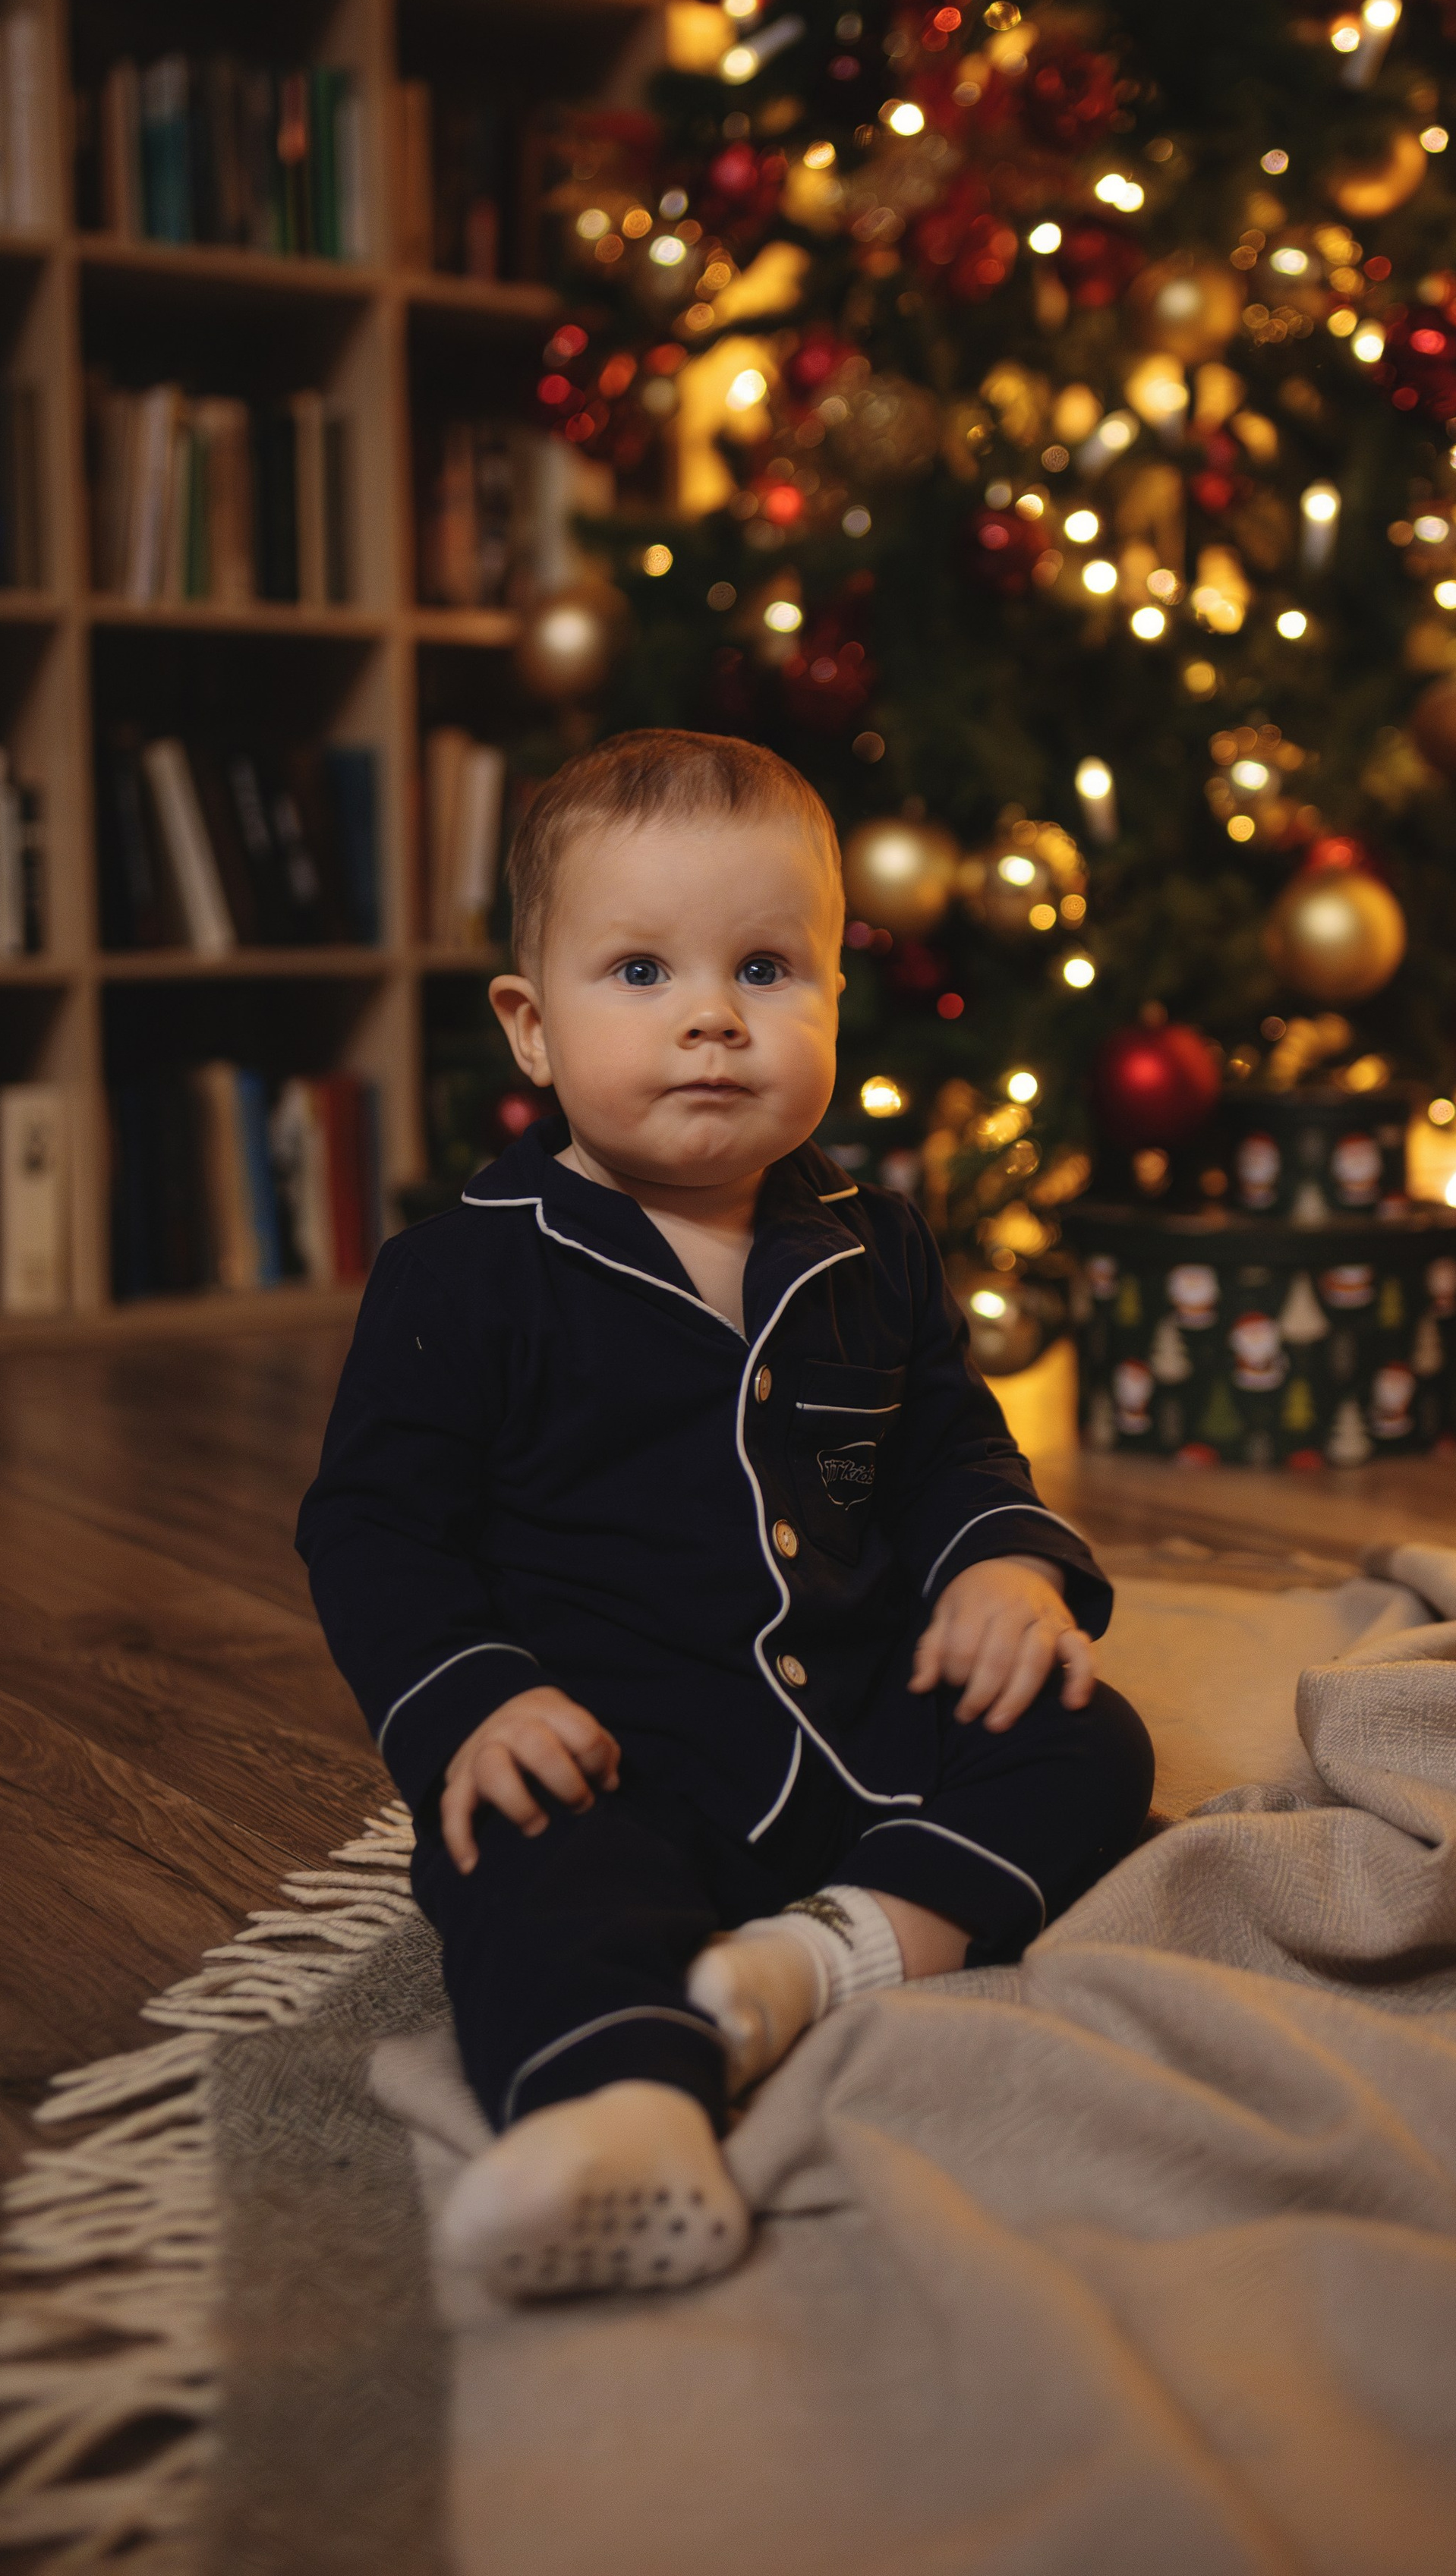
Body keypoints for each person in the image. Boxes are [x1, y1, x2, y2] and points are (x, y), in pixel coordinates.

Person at [298, 729, 1154, 2301]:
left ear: (832, 996)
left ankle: (811, 1961)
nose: (709, 1017)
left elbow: (950, 1443)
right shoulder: (465, 1277)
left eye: (765, 968)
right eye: (637, 972)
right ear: (530, 1027)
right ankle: (619, 2118)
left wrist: (1003, 1569)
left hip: (860, 1733)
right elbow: (373, 1530)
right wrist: (478, 1703)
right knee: (527, 1875)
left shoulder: (869, 1243)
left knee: (1087, 1739)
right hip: (611, 1746)